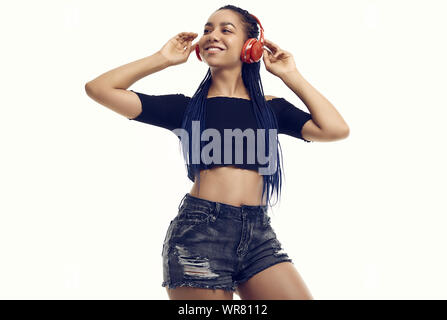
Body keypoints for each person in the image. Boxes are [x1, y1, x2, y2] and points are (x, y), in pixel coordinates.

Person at [85, 5, 349, 300]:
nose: (212, 35)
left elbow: (335, 129)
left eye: (226, 29)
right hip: (200, 234)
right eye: (208, 29)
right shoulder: (185, 109)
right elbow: (99, 89)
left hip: (259, 234)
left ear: (251, 47)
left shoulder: (271, 109)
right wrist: (161, 59)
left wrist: (291, 75)